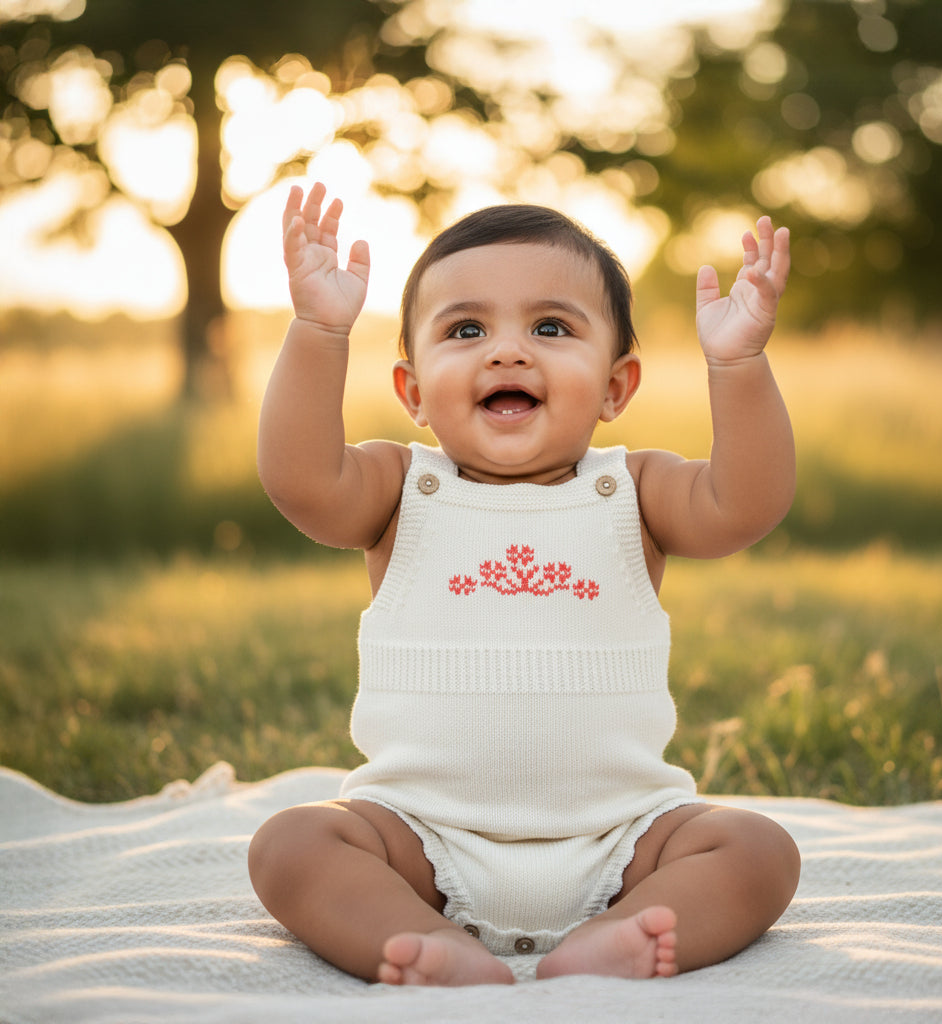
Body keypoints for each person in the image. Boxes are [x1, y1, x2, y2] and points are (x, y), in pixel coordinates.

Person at [248, 181, 800, 987]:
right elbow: (299, 480)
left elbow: (747, 504)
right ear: (414, 393)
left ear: (616, 387)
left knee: (757, 850)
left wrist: (739, 363)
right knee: (291, 844)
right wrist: (319, 330)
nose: (508, 352)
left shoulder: (635, 491)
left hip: (623, 838)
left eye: (551, 327)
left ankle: (616, 937)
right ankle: (426, 943)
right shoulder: (400, 490)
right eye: (466, 329)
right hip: (421, 841)